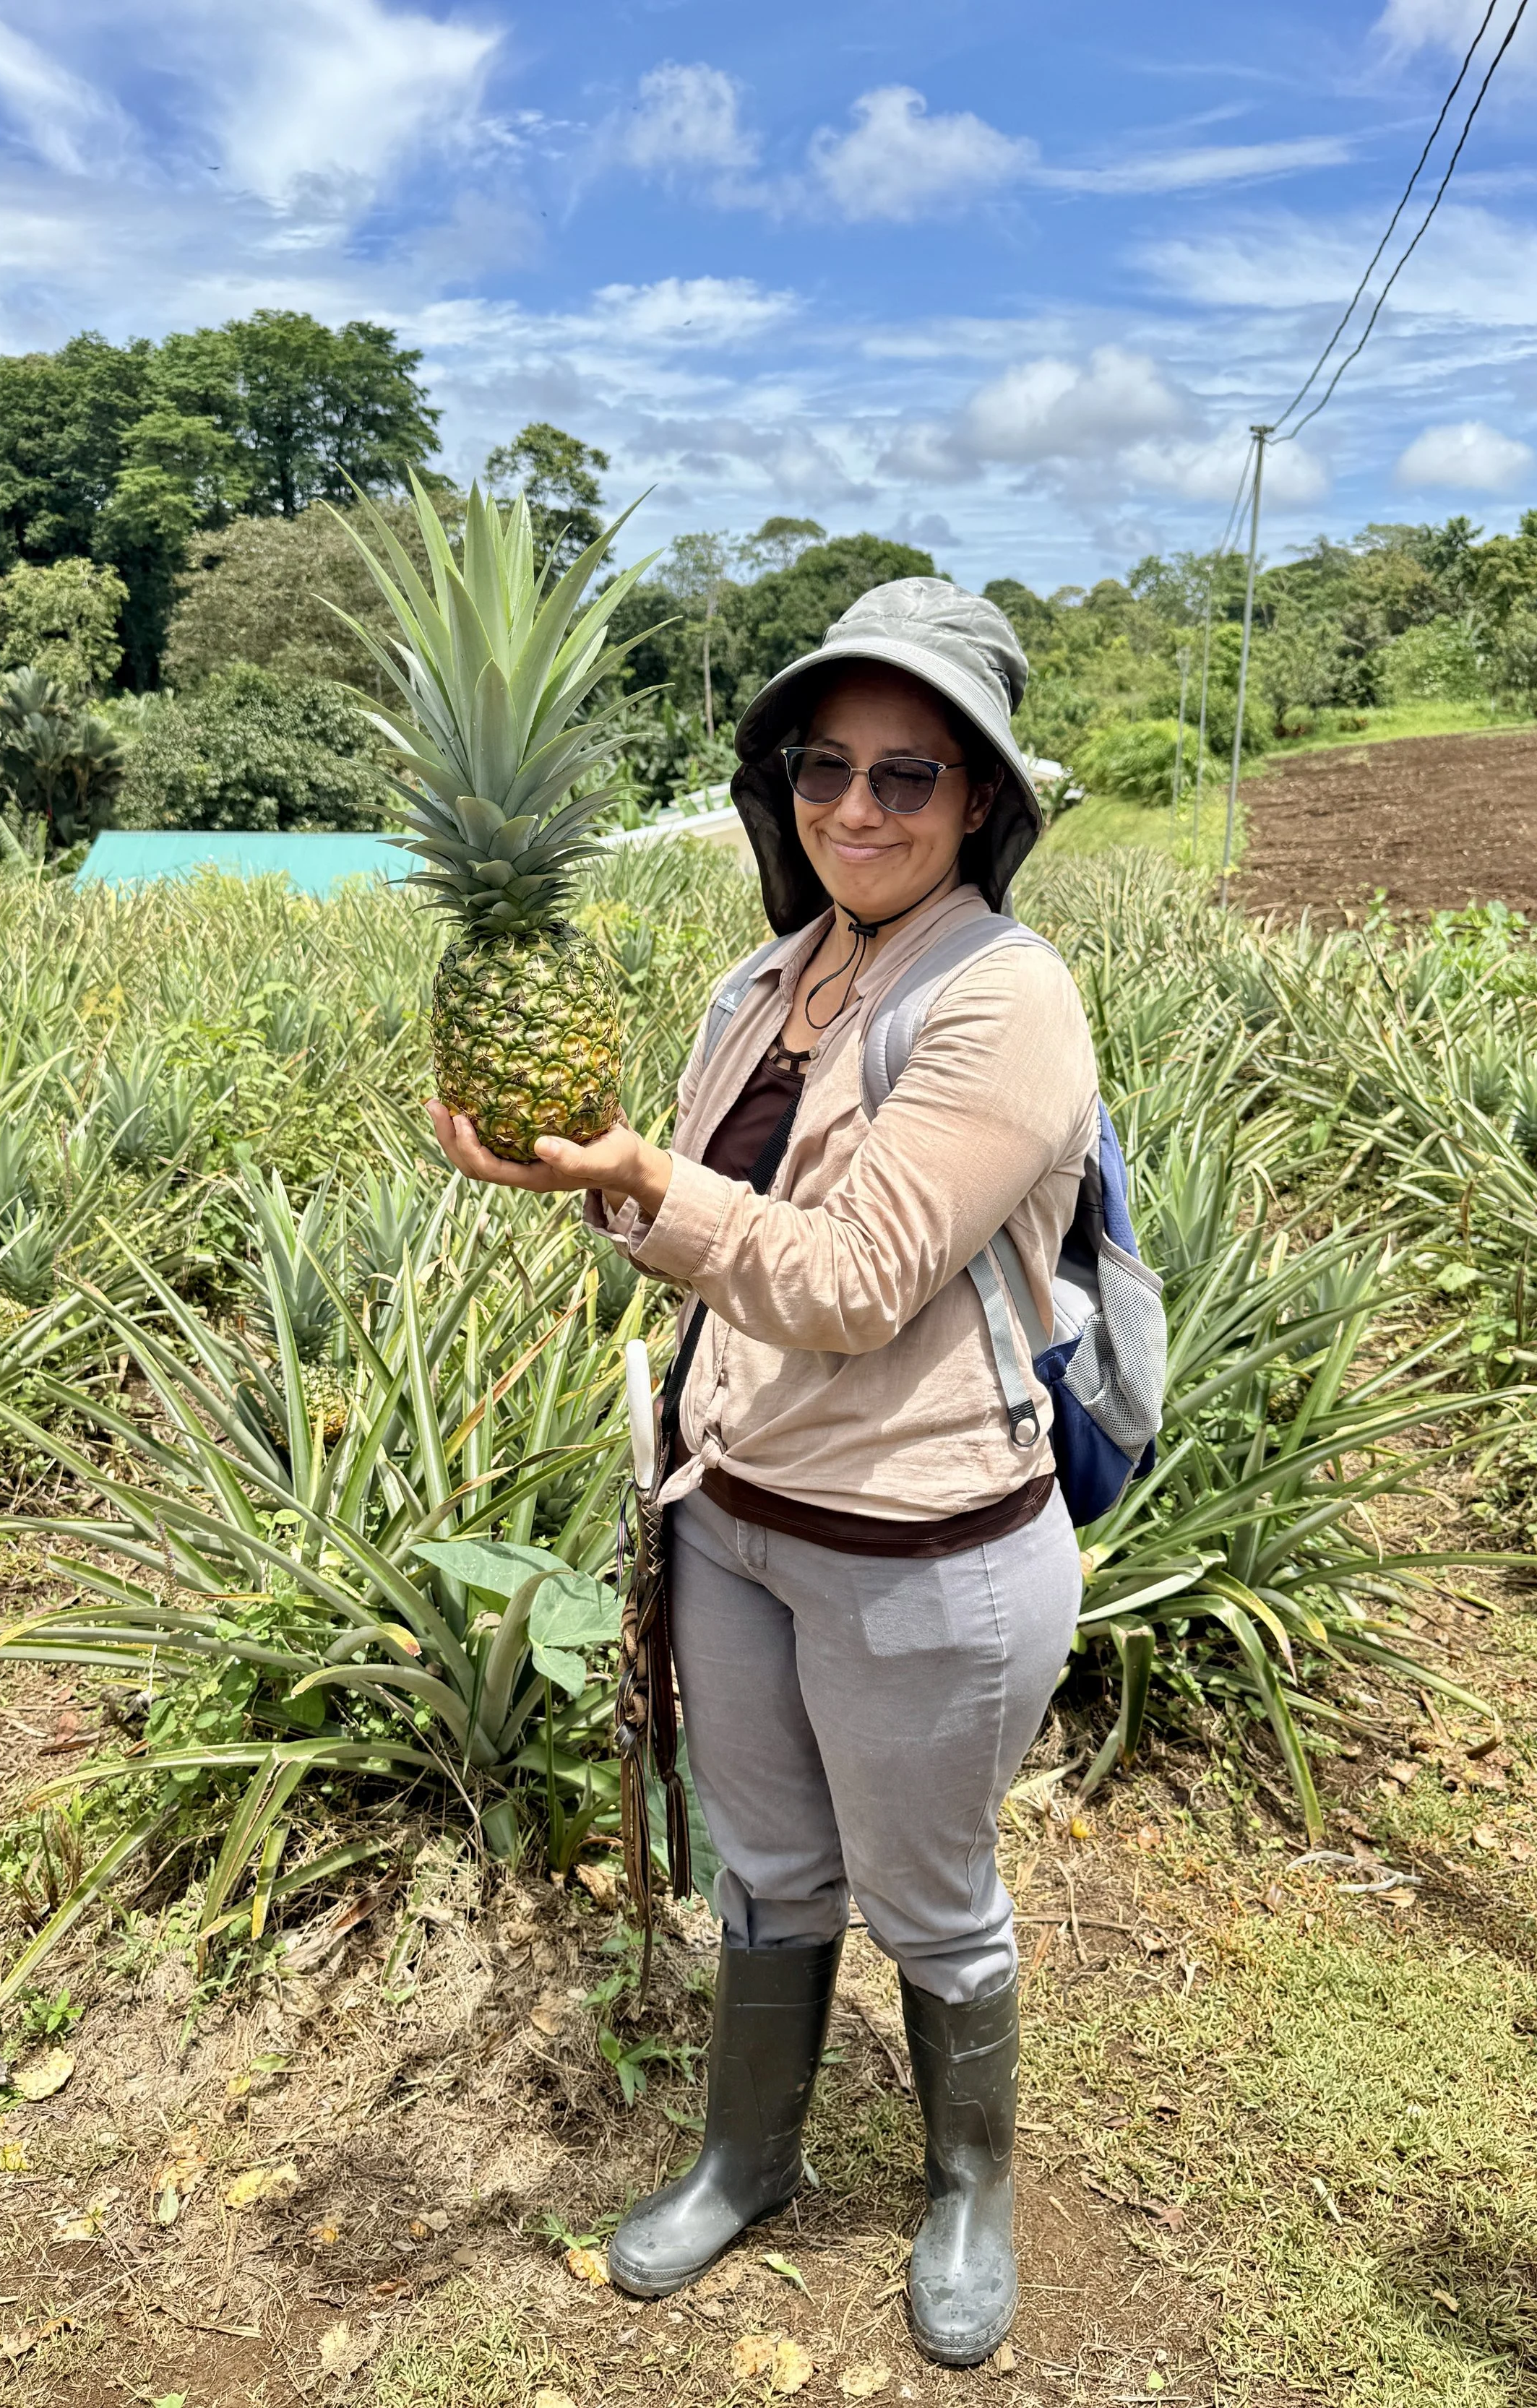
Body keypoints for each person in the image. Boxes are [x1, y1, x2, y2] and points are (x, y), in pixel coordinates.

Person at [426, 578, 1098, 2368]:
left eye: (908, 773)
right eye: (823, 766)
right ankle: (747, 2150)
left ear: (979, 802)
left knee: (929, 1886)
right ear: (777, 782)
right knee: (771, 1866)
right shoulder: (761, 979)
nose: (857, 809)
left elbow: (850, 1279)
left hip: (925, 1542)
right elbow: (700, 1243)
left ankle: (967, 2185)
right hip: (729, 1518)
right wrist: (587, 1170)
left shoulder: (1005, 997)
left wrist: (637, 1179)